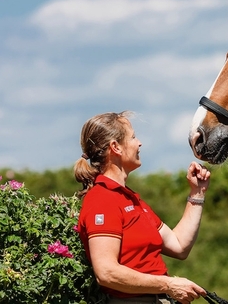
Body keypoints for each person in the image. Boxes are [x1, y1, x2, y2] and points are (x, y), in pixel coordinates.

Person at [74, 111, 210, 304]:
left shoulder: (131, 200)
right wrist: (168, 285)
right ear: (116, 147)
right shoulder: (102, 199)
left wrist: (197, 194)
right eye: (133, 137)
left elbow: (179, 246)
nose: (139, 143)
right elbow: (106, 272)